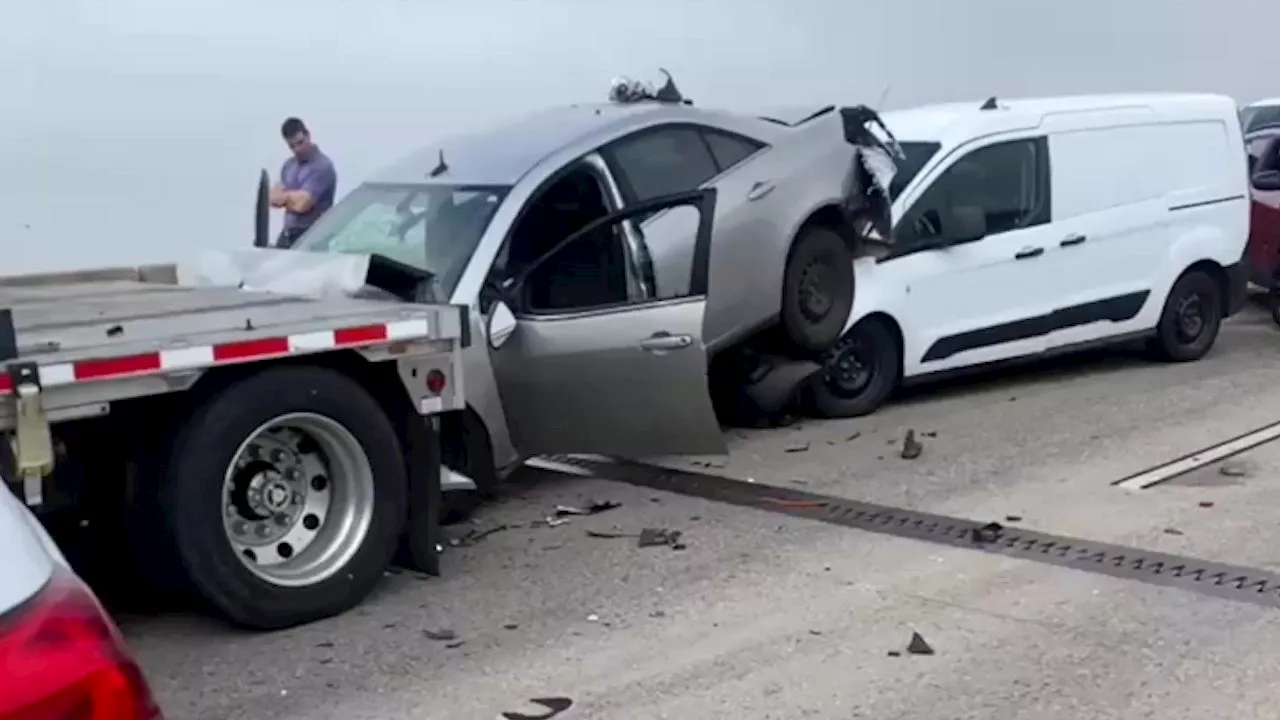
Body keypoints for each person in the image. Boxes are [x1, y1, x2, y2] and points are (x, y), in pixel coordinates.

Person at [270, 117, 337, 248]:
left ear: (308, 136)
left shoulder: (322, 166)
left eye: (300, 143)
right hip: (288, 234)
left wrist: (285, 198)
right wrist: (292, 198)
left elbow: (302, 204)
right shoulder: (289, 165)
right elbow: (272, 198)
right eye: (292, 146)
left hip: (312, 237)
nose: (297, 149)